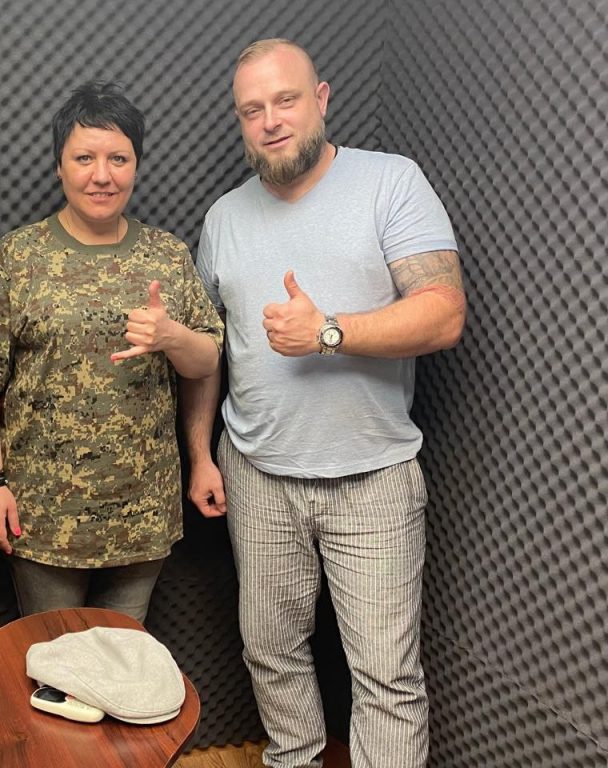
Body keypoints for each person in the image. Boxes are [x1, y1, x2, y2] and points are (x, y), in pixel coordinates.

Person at [180, 40, 467, 768]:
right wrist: (202, 452)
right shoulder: (223, 219)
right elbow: (214, 350)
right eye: (252, 110)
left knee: (386, 679)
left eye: (286, 100)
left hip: (372, 479)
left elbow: (444, 312)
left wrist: (329, 332)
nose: (271, 121)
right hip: (256, 477)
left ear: (322, 98)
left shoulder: (390, 182)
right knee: (270, 652)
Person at [0, 81, 224, 624]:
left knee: (125, 662)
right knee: (53, 662)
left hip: (143, 513)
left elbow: (206, 362)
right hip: (42, 514)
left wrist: (171, 336)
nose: (102, 175)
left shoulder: (167, 256)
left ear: (136, 166)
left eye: (118, 159)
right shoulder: (18, 256)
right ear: (59, 166)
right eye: (84, 158)